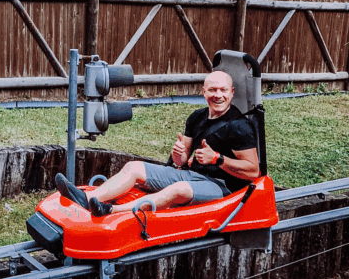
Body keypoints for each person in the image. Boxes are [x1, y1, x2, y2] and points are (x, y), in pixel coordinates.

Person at [55, 70, 261, 217]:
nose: (218, 95)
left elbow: (253, 171)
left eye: (223, 90)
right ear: (204, 92)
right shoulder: (197, 117)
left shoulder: (239, 127)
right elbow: (181, 161)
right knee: (133, 167)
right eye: (212, 90)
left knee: (178, 189)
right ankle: (88, 198)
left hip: (222, 188)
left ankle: (110, 211)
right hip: (192, 175)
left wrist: (219, 159)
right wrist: (179, 153)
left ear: (232, 92)